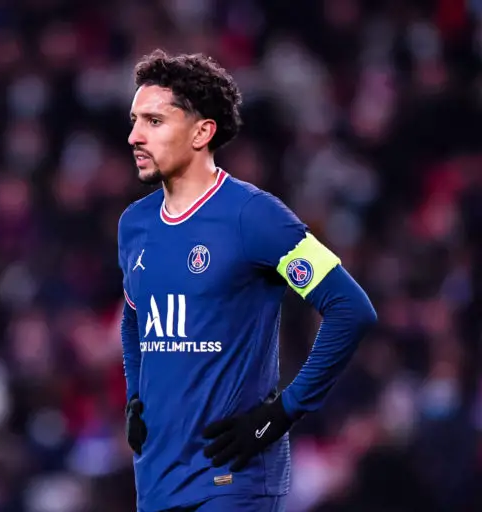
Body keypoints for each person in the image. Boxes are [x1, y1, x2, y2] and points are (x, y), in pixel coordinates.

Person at [117, 49, 377, 512]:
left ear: (202, 132)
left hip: (232, 482)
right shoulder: (134, 224)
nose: (135, 135)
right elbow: (134, 320)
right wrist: (135, 397)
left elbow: (350, 308)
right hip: (156, 482)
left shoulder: (255, 216)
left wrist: (282, 413)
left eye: (154, 121)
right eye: (135, 120)